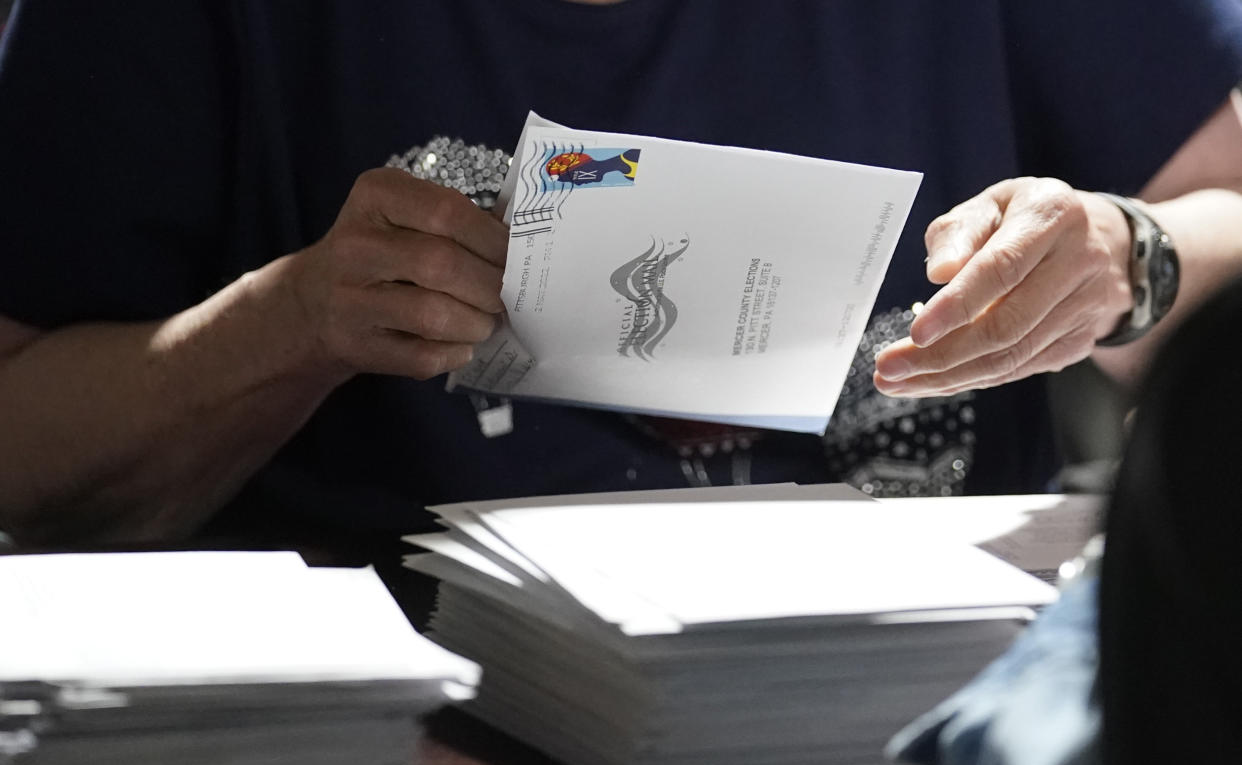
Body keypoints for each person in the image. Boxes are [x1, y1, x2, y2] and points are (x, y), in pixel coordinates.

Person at [0, 0, 1240, 548]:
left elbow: (1219, 213)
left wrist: (1135, 256)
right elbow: (26, 460)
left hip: (908, 690)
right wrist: (293, 323)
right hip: (405, 730)